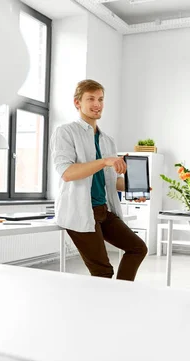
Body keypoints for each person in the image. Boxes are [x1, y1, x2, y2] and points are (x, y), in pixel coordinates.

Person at [51, 79, 147, 280]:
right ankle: (101, 308)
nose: (97, 104)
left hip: (102, 210)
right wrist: (104, 161)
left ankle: (121, 294)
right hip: (79, 210)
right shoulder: (65, 132)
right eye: (91, 99)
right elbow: (67, 173)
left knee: (138, 248)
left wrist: (134, 189)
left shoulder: (107, 140)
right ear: (78, 103)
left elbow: (113, 181)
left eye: (101, 99)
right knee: (103, 272)